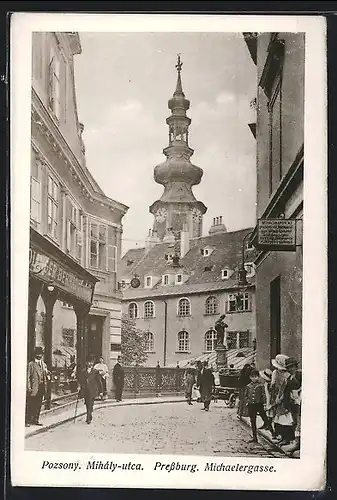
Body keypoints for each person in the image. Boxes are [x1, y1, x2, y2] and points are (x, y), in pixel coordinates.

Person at [245, 368, 274, 443]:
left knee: (265, 419)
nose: (254, 378)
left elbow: (263, 395)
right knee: (253, 421)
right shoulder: (248, 386)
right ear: (250, 377)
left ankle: (273, 434)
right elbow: (246, 395)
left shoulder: (260, 385)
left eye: (256, 376)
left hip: (259, 405)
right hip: (251, 405)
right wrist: (248, 402)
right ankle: (254, 437)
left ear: (258, 377)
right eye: (252, 377)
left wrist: (264, 404)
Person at [269, 353, 293, 445]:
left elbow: (285, 388)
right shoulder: (276, 373)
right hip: (277, 395)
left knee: (285, 417)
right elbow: (274, 385)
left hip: (285, 397)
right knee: (279, 417)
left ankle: (287, 438)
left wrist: (281, 397)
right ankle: (282, 436)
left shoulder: (287, 375)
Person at [26, 346, 51, 426]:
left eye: (41, 354)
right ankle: (27, 421)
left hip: (42, 387)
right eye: (38, 354)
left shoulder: (43, 364)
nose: (40, 356)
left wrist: (47, 374)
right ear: (35, 355)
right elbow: (28, 377)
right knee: (31, 404)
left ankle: (36, 420)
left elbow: (46, 375)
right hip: (34, 387)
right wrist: (28, 387)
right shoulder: (31, 364)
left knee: (38, 404)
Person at [282, 357, 302, 454]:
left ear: (295, 366)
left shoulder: (299, 375)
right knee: (294, 422)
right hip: (291, 403)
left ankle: (297, 444)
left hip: (297, 402)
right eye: (288, 367)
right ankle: (295, 442)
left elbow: (299, 388)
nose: (290, 369)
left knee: (297, 422)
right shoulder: (291, 376)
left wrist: (296, 396)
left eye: (291, 367)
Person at [78, 358, 102, 424]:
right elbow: (81, 381)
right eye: (89, 362)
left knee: (90, 404)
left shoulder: (95, 371)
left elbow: (99, 382)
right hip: (86, 390)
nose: (90, 364)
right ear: (86, 363)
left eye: (91, 362)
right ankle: (89, 414)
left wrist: (101, 391)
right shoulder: (83, 371)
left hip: (93, 390)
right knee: (87, 404)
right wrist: (80, 387)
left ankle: (88, 417)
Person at [259, 368, 276, 434]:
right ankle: (266, 424)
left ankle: (268, 425)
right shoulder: (266, 384)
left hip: (269, 399)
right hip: (266, 399)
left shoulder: (269, 385)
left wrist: (268, 402)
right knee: (267, 413)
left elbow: (269, 394)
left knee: (270, 413)